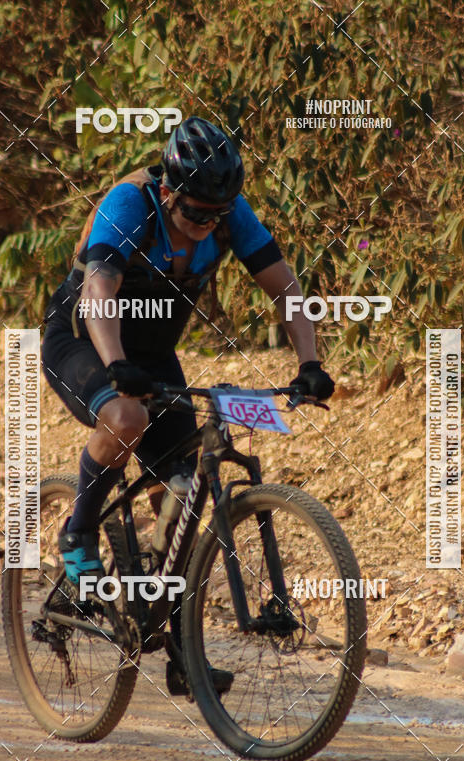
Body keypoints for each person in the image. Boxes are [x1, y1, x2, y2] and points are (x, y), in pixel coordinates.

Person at [41, 116, 334, 690]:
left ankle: (178, 648)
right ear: (170, 193)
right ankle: (77, 536)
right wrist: (118, 367)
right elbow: (100, 290)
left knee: (180, 501)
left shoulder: (227, 213)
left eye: (218, 215)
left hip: (151, 355)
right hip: (83, 337)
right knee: (126, 416)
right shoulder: (131, 205)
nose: (208, 225)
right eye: (196, 213)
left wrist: (310, 365)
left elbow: (286, 288)